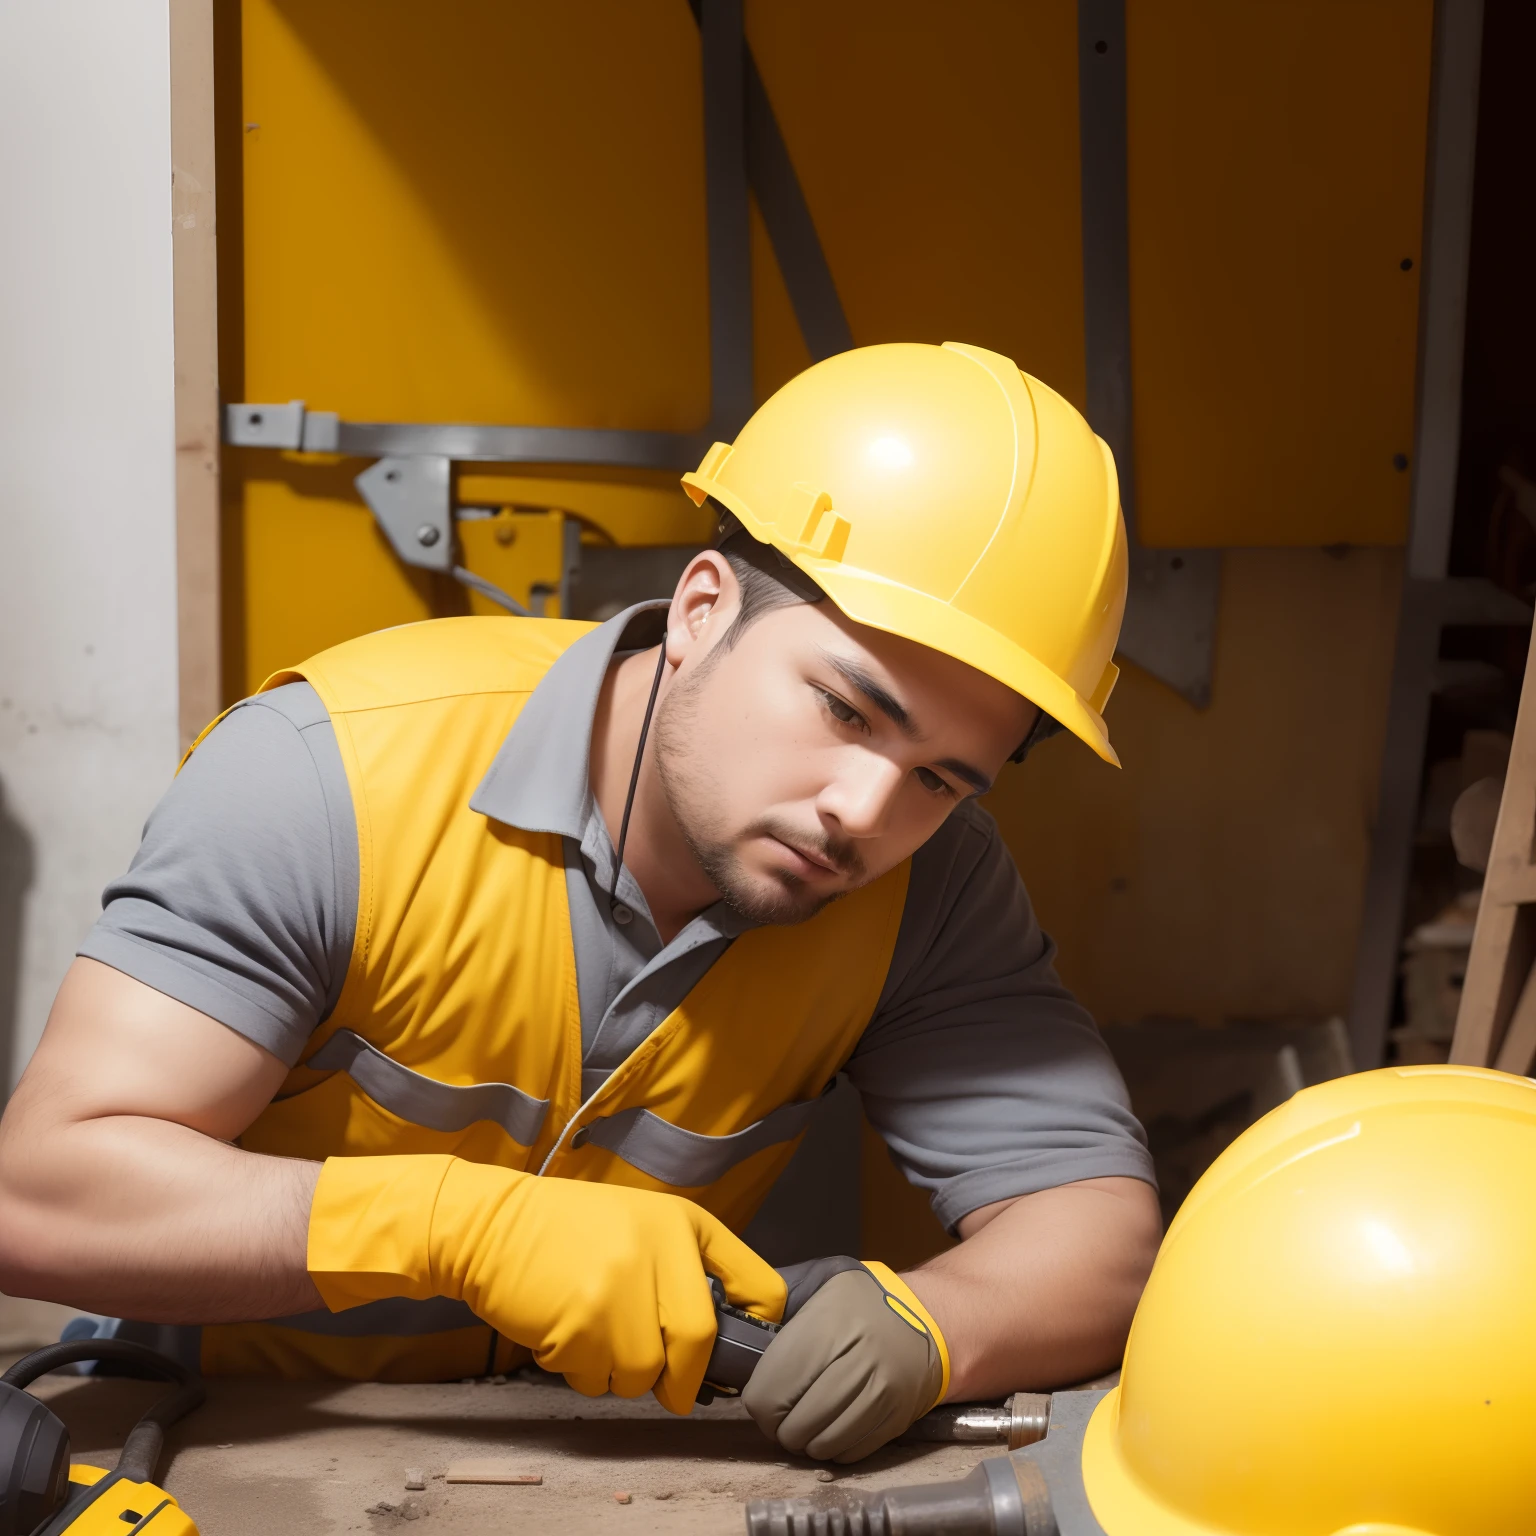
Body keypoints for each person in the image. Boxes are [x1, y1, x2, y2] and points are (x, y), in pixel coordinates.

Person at [0, 341, 1160, 1464]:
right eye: (848, 712)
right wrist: (450, 1228)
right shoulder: (329, 777)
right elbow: (39, 1195)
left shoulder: (933, 886)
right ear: (703, 607)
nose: (864, 810)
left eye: (942, 778)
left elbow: (1099, 1239)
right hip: (207, 1431)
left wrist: (936, 1328)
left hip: (574, 1460)